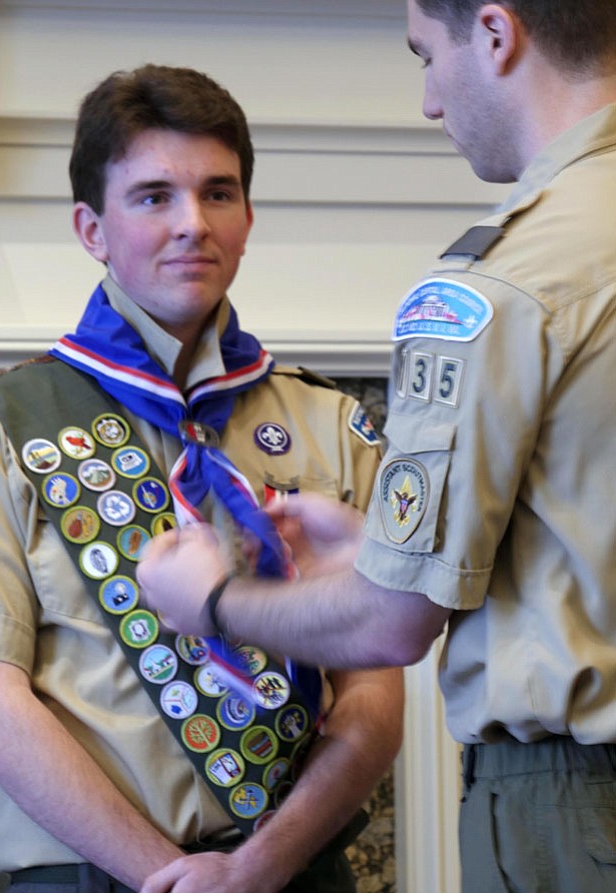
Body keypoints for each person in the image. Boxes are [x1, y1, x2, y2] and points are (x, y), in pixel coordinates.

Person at [136, 2, 616, 891]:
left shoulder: (509, 279)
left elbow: (391, 622)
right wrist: (377, 545)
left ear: (497, 33)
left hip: (579, 809)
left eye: (425, 57)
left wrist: (212, 599)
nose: (430, 101)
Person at [0, 65, 403, 893]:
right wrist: (176, 878)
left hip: (296, 868)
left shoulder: (329, 422)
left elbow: (373, 692)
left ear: (249, 216)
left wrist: (260, 866)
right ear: (91, 227)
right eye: (154, 196)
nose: (193, 223)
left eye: (218, 193)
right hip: (90, 874)